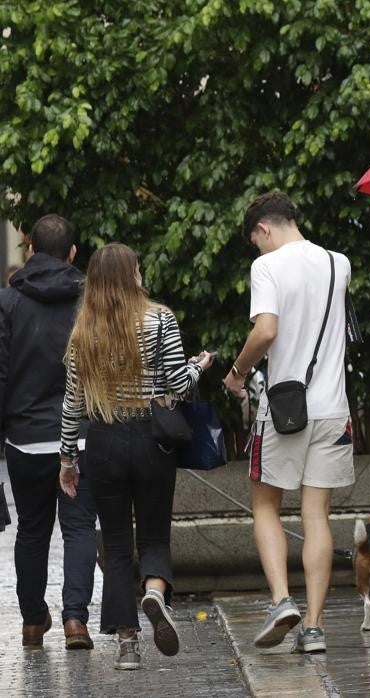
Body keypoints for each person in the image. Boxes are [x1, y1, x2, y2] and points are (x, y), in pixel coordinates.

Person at [58, 243, 213, 670]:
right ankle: (155, 591)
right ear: (132, 275)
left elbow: (72, 403)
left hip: (103, 442)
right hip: (152, 441)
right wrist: (200, 366)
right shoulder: (160, 318)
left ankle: (127, 646)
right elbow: (179, 385)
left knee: (117, 542)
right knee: (154, 534)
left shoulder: (82, 330)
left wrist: (67, 459)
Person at [223, 192, 354, 655]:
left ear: (262, 229)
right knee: (316, 515)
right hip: (333, 409)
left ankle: (281, 600)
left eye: (256, 241)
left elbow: (266, 331)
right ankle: (314, 628)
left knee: (265, 507)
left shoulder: (268, 267)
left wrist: (237, 373)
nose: (258, 250)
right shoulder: (340, 263)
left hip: (283, 412)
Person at [1, 215, 96, 650]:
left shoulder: (8, 302)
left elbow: (2, 375)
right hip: (80, 435)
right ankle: (76, 619)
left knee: (33, 530)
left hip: (24, 437)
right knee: (78, 528)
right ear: (73, 253)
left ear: (31, 250)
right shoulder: (90, 300)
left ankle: (33, 622)